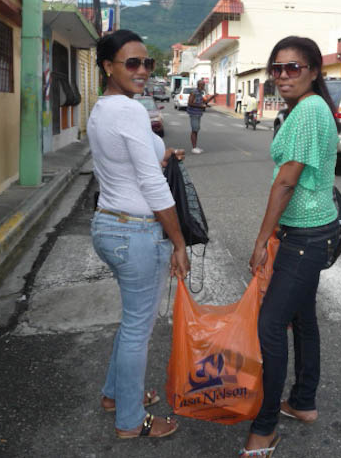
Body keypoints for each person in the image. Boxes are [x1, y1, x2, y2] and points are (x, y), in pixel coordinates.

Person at [240, 36, 340, 457]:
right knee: (301, 318)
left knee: (270, 326)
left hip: (305, 237)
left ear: (314, 71)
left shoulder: (309, 110)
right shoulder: (307, 109)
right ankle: (302, 402)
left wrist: (263, 239)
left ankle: (264, 430)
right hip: (314, 230)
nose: (283, 76)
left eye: (293, 68)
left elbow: (286, 181)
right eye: (276, 68)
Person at [88, 29, 190, 439]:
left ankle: (116, 395)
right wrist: (179, 243)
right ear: (108, 66)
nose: (143, 70)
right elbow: (151, 184)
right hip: (136, 233)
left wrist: (166, 153)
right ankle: (130, 421)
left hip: (109, 225)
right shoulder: (128, 111)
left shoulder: (107, 107)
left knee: (131, 322)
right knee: (138, 330)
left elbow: (138, 158)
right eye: (132, 63)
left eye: (148, 63)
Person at [187, 79, 216, 154]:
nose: (204, 86)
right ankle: (193, 148)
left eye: (204, 85)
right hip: (194, 114)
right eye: (203, 85)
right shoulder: (194, 92)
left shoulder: (200, 93)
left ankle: (195, 147)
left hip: (198, 114)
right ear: (199, 85)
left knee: (196, 130)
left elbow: (205, 102)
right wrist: (200, 106)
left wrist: (212, 97)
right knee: (194, 130)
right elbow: (190, 103)